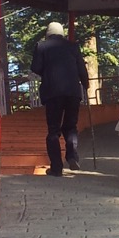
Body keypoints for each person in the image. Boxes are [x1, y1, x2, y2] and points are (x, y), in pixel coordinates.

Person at [30, 21, 90, 176]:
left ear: (48, 33)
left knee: (53, 129)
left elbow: (35, 67)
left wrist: (47, 69)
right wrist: (86, 84)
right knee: (71, 126)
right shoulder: (73, 46)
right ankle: (72, 156)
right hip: (73, 92)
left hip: (52, 91)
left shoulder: (41, 46)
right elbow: (82, 69)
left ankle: (56, 168)